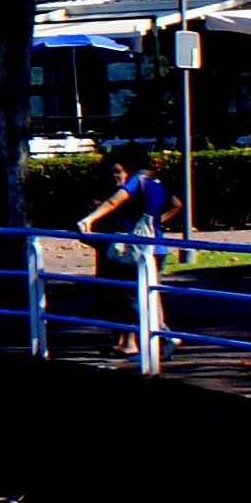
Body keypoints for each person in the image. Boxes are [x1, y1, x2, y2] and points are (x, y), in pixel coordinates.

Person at [76, 142, 178, 356]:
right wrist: (156, 222)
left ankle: (165, 336)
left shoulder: (137, 181)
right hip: (155, 247)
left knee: (134, 298)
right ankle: (157, 344)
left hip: (137, 249)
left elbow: (114, 201)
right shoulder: (154, 182)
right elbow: (177, 204)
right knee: (149, 294)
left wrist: (89, 219)